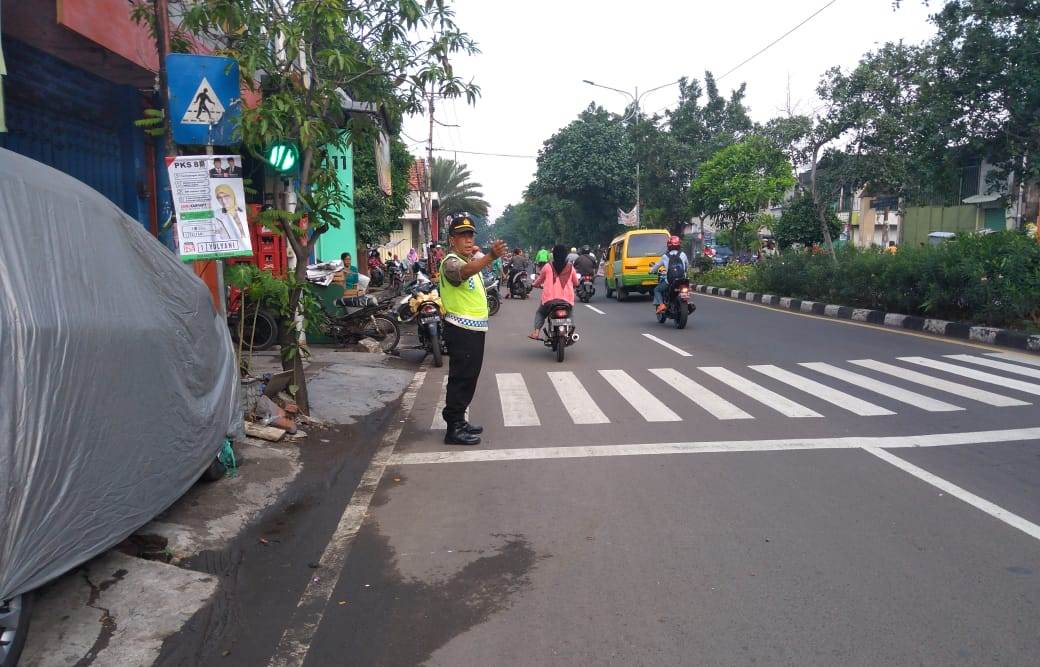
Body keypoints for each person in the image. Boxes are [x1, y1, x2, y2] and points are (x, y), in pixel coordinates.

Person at [439, 217, 507, 446]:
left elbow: (473, 264)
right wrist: (490, 256)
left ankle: (459, 420)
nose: (468, 240)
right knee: (461, 378)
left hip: (473, 329)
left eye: (470, 236)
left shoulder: (466, 258)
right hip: (461, 329)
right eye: (462, 236)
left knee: (470, 377)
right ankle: (453, 428)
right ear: (452, 240)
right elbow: (465, 271)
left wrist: (480, 254)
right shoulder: (451, 262)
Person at [530, 245, 579, 340]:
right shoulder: (570, 267)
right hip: (567, 300)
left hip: (549, 300)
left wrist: (534, 284)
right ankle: (573, 332)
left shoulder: (547, 266)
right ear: (566, 255)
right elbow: (576, 282)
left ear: (553, 255)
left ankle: (536, 332)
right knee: (570, 312)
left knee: (540, 313)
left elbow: (539, 280)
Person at [650, 236, 689, 315]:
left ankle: (661, 305)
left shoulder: (665, 256)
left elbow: (656, 266)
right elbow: (687, 265)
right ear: (679, 245)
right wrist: (685, 272)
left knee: (656, 290)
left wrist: (651, 271)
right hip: (682, 280)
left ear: (668, 245)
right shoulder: (683, 254)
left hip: (670, 281)